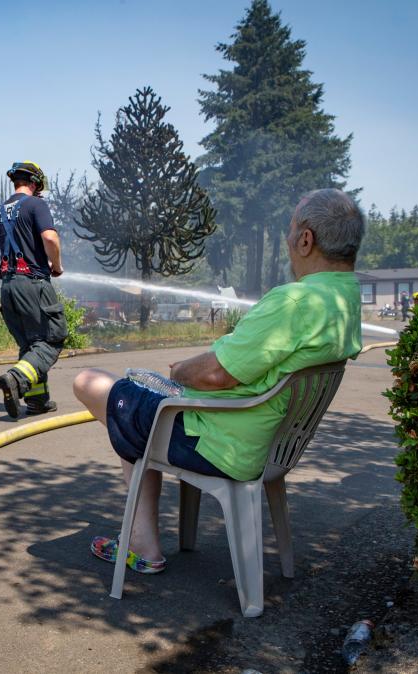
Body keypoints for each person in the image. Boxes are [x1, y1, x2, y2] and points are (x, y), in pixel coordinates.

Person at [73, 188, 365, 574]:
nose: (288, 239)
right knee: (133, 409)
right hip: (271, 445)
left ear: (306, 239)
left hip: (221, 442)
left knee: (92, 384)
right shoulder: (346, 298)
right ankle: (147, 534)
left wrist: (179, 372)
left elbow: (215, 373)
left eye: (290, 229)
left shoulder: (295, 302)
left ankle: (143, 546)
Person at [0, 161, 68, 418]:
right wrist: (56, 265)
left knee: (30, 344)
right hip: (32, 283)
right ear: (35, 183)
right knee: (51, 338)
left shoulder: (1, 211)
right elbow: (49, 237)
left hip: (8, 286)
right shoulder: (36, 204)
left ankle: (37, 401)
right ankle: (16, 378)